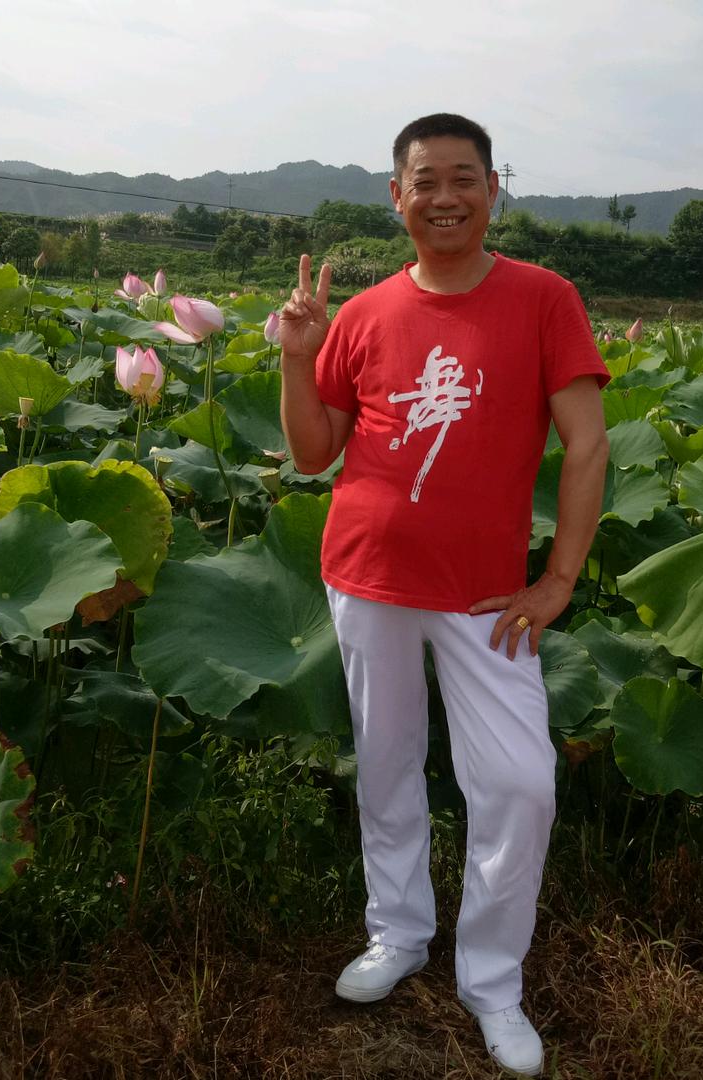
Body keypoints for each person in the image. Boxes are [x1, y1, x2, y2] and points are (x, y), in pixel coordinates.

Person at [278, 113, 609, 1078]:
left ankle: (492, 980)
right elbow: (311, 453)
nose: (445, 196)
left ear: (492, 188)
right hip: (366, 576)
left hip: (486, 596)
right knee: (386, 768)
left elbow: (586, 446)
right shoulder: (367, 313)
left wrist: (558, 579)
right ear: (398, 197)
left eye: (464, 177)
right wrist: (298, 354)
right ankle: (400, 934)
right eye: (425, 180)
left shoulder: (544, 299)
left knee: (520, 784)